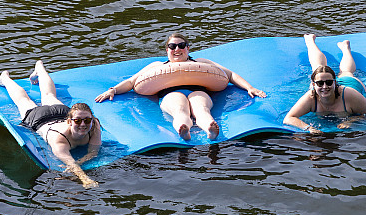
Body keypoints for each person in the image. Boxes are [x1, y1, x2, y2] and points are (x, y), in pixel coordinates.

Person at [95, 31, 266, 141]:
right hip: (170, 93)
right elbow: (133, 82)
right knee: (180, 109)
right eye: (172, 46)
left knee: (201, 109)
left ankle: (210, 129)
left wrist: (249, 87)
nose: (177, 49)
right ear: (167, 50)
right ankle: (183, 130)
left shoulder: (201, 62)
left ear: (188, 48)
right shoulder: (157, 67)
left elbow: (229, 75)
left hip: (198, 90)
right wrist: (113, 90)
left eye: (181, 45)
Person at [0, 61, 101, 188]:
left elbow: (94, 151)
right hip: (40, 118)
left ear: (91, 119)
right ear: (70, 121)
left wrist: (80, 161)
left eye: (87, 120)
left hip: (62, 112)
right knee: (23, 100)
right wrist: (85, 179)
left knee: (49, 95)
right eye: (78, 121)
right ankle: (5, 78)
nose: (83, 124)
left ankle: (40, 68)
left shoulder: (94, 125)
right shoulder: (59, 140)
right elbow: (71, 164)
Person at [284, 34, 366, 133]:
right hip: (322, 88)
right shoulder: (311, 97)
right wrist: (309, 128)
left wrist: (351, 121)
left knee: (346, 72)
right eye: (320, 83)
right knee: (318, 69)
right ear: (314, 85)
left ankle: (346, 48)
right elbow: (289, 118)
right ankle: (310, 41)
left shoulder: (349, 94)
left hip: (349, 83)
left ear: (334, 82)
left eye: (329, 82)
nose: (325, 87)